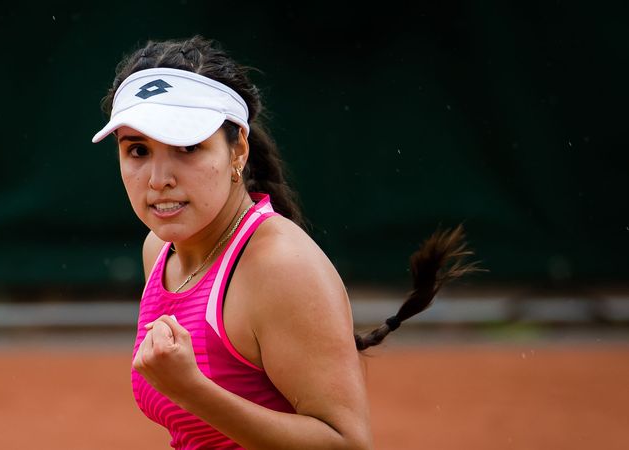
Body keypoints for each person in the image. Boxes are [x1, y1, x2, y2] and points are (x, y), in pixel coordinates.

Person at [92, 35, 480, 450]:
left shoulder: (281, 266)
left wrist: (192, 390)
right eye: (138, 150)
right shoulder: (159, 249)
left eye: (187, 147)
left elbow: (348, 444)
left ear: (238, 150)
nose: (158, 179)